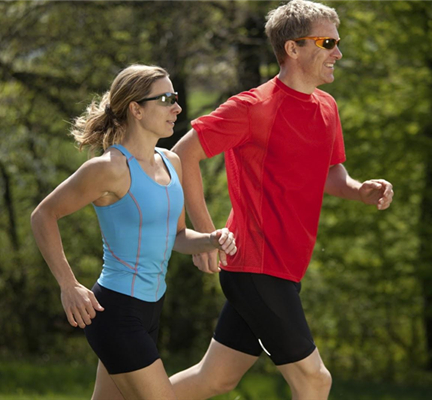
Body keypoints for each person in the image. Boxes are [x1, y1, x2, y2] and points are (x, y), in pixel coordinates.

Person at [168, 1, 394, 399]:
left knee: (214, 379)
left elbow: (330, 172)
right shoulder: (252, 107)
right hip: (255, 265)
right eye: (327, 42)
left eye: (337, 42)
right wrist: (203, 233)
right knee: (314, 378)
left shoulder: (327, 107)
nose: (337, 53)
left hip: (287, 268)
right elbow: (183, 154)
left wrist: (358, 189)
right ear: (292, 48)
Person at [30, 64, 237, 400]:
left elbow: (178, 238)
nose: (178, 108)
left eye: (177, 98)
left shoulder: (172, 162)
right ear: (136, 109)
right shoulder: (108, 169)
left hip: (151, 310)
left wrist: (214, 238)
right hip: (116, 312)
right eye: (167, 99)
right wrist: (68, 285)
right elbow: (43, 215)